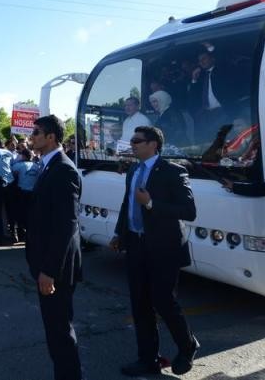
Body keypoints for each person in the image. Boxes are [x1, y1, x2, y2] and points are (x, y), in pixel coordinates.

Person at [109, 126, 199, 377]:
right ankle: (148, 359)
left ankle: (188, 345)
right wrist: (119, 233)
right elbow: (128, 203)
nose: (132, 144)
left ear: (153, 144)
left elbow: (188, 211)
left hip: (164, 248)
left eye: (137, 140)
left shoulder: (173, 171)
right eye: (132, 140)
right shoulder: (134, 170)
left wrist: (150, 203)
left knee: (164, 302)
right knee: (140, 305)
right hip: (136, 244)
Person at [26, 115, 83, 380]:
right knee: (54, 329)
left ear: (51, 137)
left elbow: (66, 224)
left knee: (60, 330)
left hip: (56, 268)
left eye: (37, 132)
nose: (32, 136)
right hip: (46, 263)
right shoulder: (48, 165)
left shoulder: (63, 169)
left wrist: (49, 270)